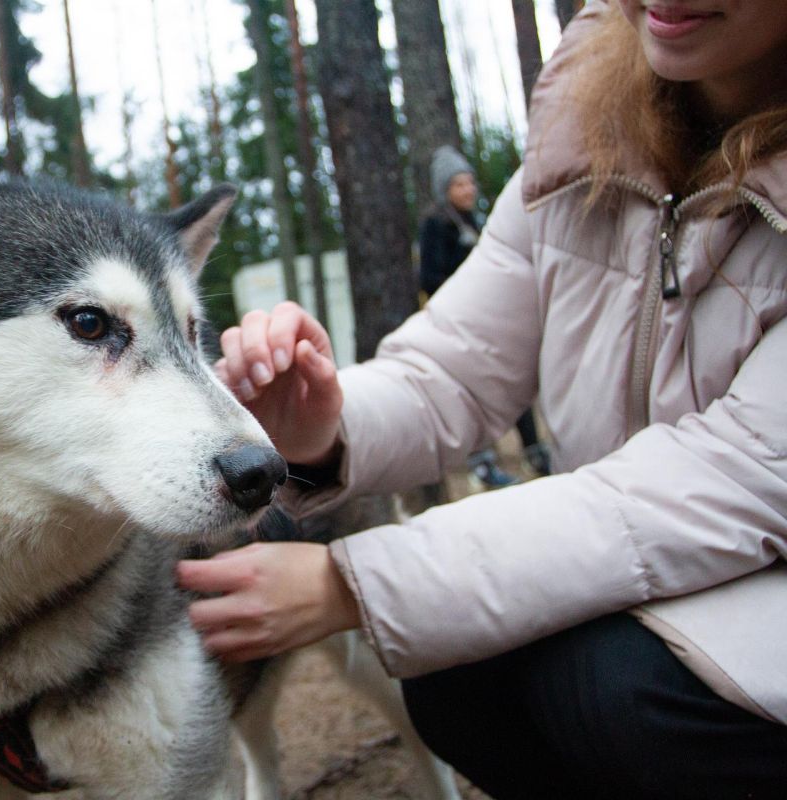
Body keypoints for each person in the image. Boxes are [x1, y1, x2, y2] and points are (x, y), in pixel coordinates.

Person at [178, 2, 787, 797]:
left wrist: (354, 583)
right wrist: (326, 423)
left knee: (621, 690)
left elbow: (724, 481)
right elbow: (455, 370)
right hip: (648, 570)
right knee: (454, 675)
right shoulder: (589, 134)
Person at [419, 145, 551, 489]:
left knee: (516, 384)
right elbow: (429, 278)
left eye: (470, 183)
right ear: (445, 190)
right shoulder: (436, 226)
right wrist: (467, 285)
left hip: (494, 321)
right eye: (459, 185)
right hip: (460, 326)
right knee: (474, 393)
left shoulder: (478, 222)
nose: (468, 190)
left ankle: (535, 451)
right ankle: (482, 465)